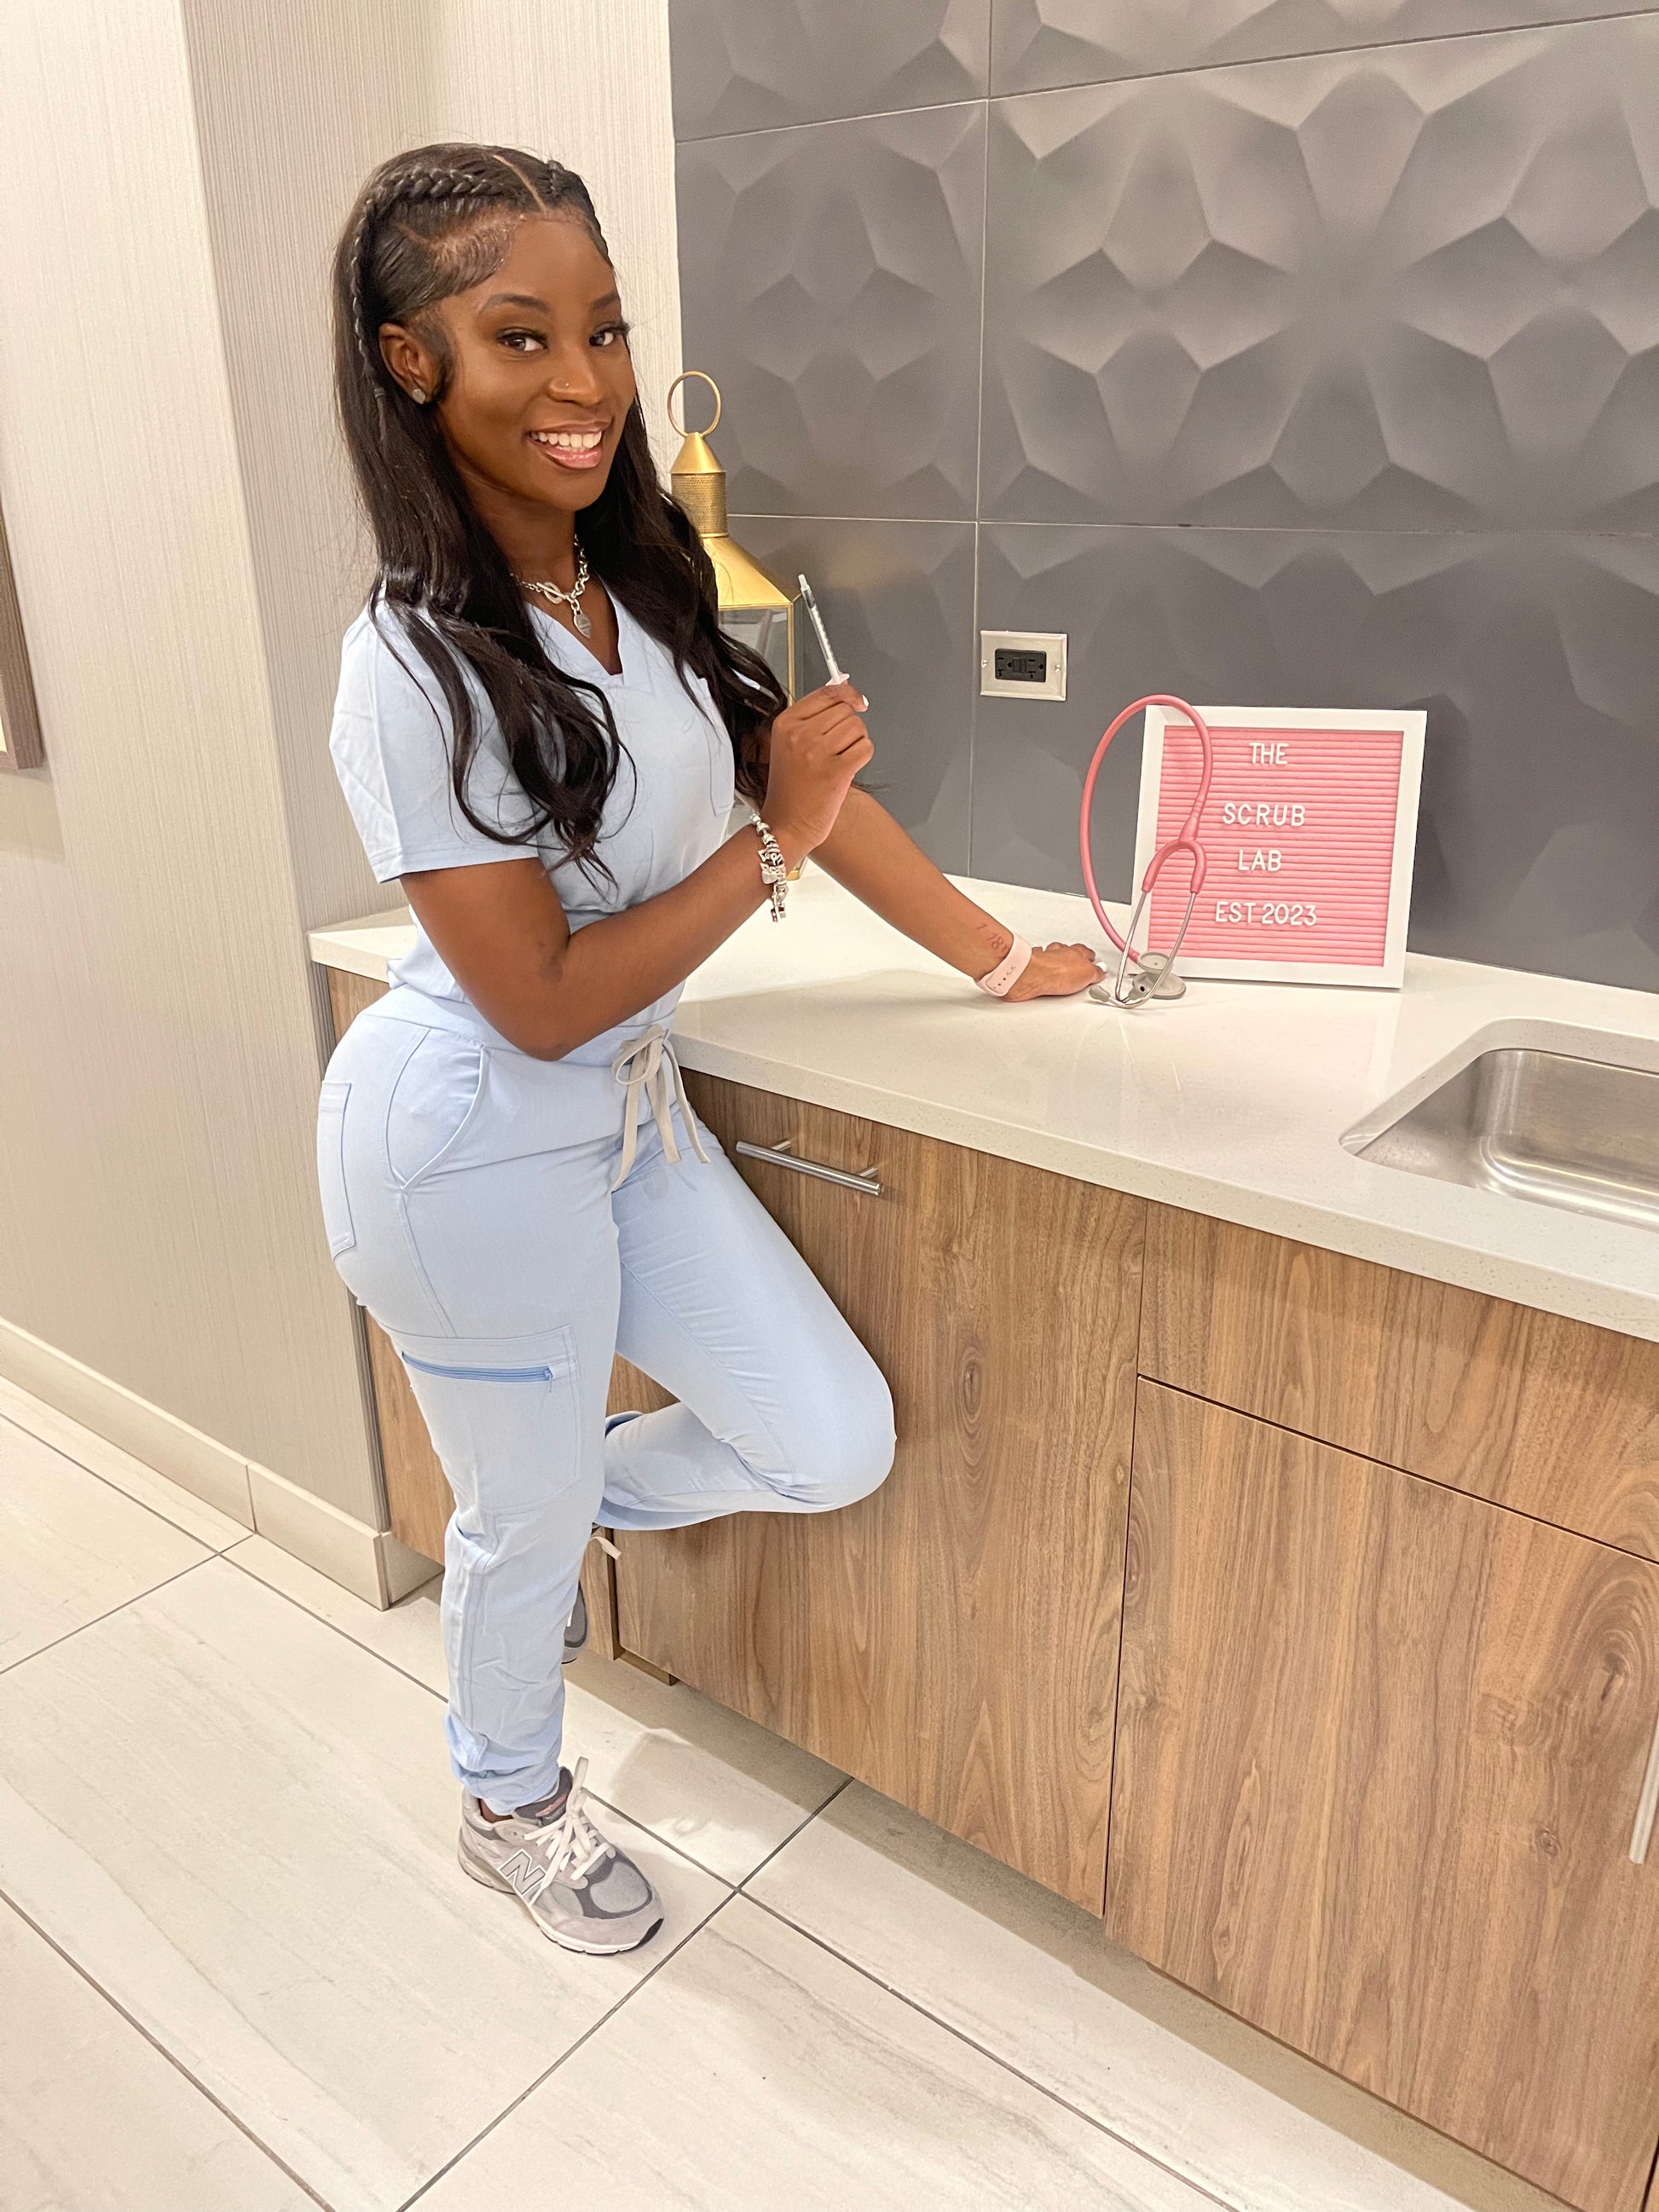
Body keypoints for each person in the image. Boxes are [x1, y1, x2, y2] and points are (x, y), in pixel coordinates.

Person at [318, 142, 1107, 1959]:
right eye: (521, 335)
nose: (584, 381)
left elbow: (806, 781)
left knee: (827, 1437)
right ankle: (507, 1796)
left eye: (602, 329)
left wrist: (999, 959)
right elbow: (539, 995)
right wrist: (772, 850)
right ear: (412, 362)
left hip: (628, 1119)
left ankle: (540, 1506)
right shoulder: (411, 662)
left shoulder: (638, 575)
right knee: (517, 1526)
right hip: (463, 1145)